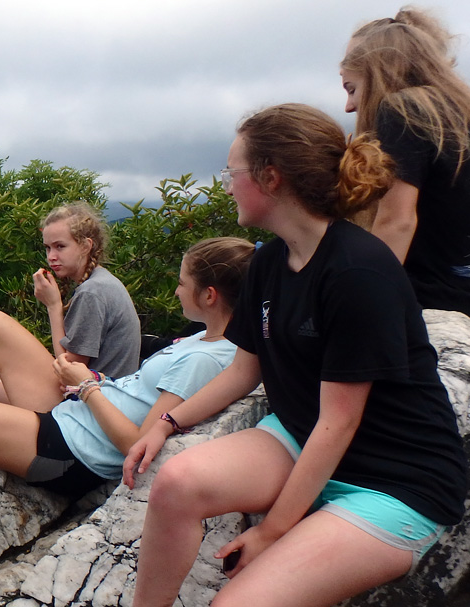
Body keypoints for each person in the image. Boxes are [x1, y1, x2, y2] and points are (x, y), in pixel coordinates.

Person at [123, 104, 467, 607]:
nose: (225, 184)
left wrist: (272, 531)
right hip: (300, 436)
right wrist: (166, 423)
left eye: (231, 171)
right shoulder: (268, 262)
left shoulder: (358, 271)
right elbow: (244, 370)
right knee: (176, 482)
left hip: (394, 482)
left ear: (270, 177)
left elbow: (339, 423)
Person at [0, 237, 253, 606]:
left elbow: (134, 442)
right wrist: (97, 384)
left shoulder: (204, 359)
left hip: (72, 450)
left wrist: (86, 387)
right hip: (74, 415)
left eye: (183, 283)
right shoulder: (204, 337)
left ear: (210, 295)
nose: (177, 289)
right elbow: (138, 394)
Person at [340, 7, 470, 315]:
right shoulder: (456, 113)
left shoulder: (403, 109)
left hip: (433, 305)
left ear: (377, 71)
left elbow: (397, 221)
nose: (349, 106)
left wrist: (361, 303)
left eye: (352, 88)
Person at [0, 202, 141, 405]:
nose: (51, 257)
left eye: (60, 246)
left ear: (86, 246)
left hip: (90, 406)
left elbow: (69, 372)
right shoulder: (102, 281)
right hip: (105, 397)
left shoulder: (92, 293)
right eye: (48, 248)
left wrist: (53, 306)